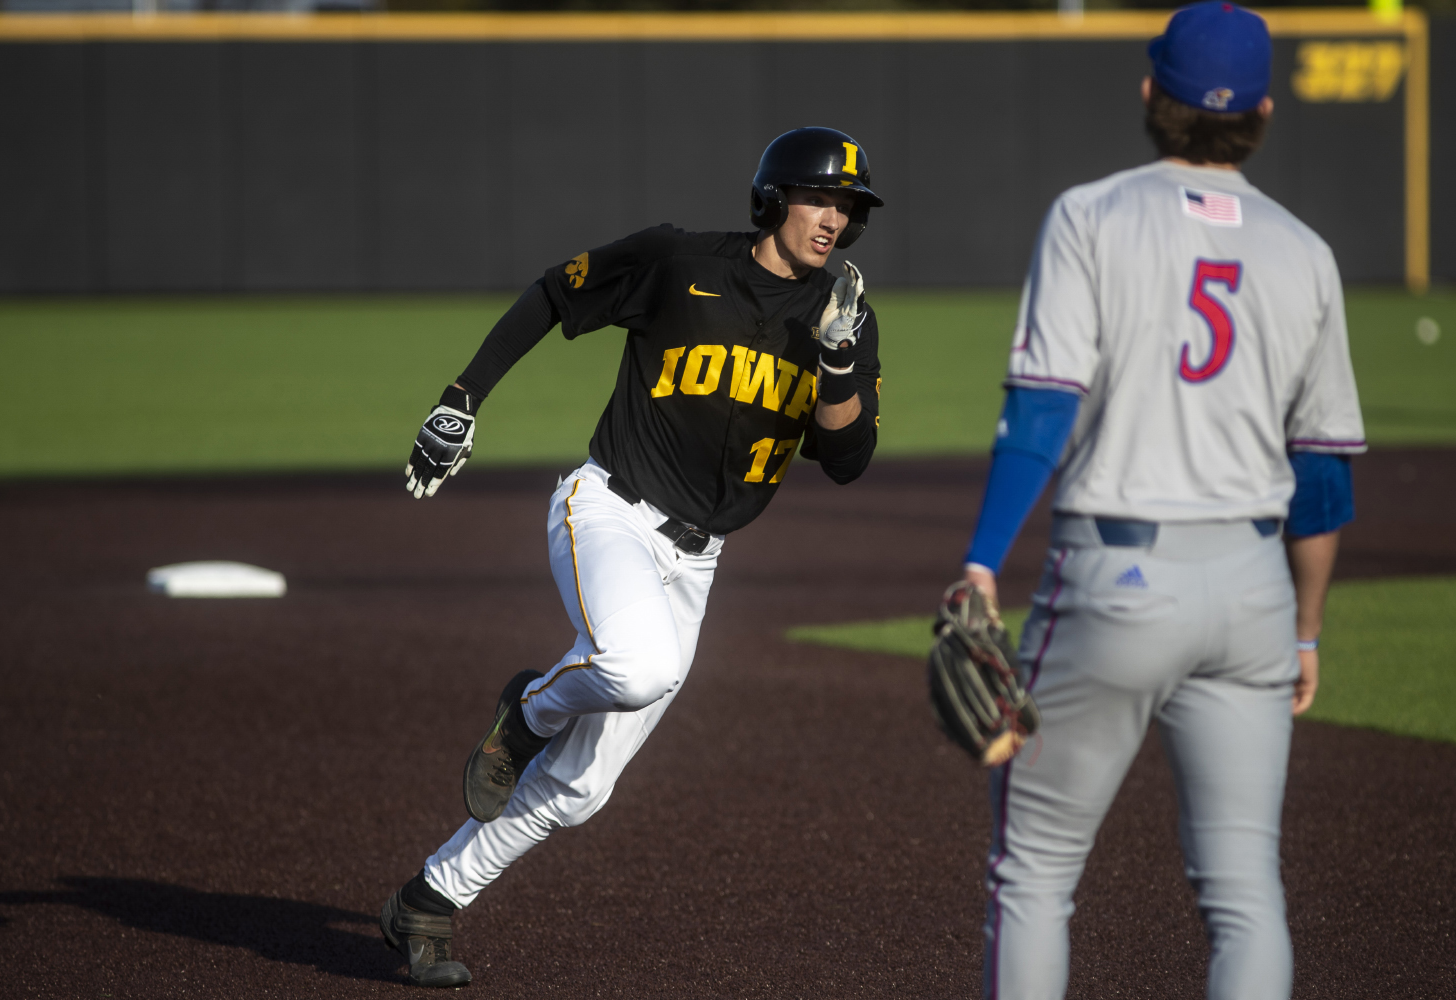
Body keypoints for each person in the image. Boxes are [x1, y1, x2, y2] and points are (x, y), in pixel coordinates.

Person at [378, 126, 884, 988]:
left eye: (847, 206)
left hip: (699, 560)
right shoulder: (677, 260)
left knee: (581, 790)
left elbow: (847, 459)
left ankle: (428, 901)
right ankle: (529, 713)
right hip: (609, 511)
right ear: (772, 198)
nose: (833, 218)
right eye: (818, 197)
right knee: (638, 667)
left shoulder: (843, 319)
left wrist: (837, 359)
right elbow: (553, 293)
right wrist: (461, 397)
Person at [953, 5, 1364, 998]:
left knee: (1039, 873)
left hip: (1117, 574)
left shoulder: (1091, 214)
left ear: (1151, 94)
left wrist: (981, 555)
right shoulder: (1304, 251)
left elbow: (1044, 406)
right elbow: (1322, 477)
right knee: (1245, 894)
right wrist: (1305, 630)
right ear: (1262, 112)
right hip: (1253, 590)